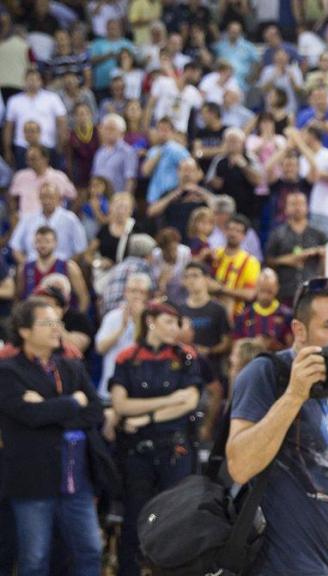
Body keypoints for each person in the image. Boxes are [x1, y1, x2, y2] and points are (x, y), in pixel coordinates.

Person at [226, 277, 328, 575]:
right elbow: (240, 466)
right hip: (274, 564)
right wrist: (294, 395)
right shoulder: (267, 373)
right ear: (299, 330)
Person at [0, 298, 104, 576]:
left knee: (91, 550)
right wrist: (73, 402)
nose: (56, 328)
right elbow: (28, 415)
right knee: (35, 559)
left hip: (76, 479)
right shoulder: (7, 372)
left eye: (58, 322)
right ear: (24, 331)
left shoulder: (71, 367)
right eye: (47, 323)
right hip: (32, 481)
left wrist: (49, 409)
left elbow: (95, 412)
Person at [110, 302, 202, 576]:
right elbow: (121, 405)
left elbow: (190, 402)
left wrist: (146, 417)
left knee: (176, 519)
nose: (175, 329)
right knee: (135, 518)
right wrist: (170, 400)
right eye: (169, 322)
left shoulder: (185, 356)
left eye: (177, 323)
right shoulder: (128, 357)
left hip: (175, 447)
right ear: (151, 321)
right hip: (137, 451)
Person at [211, 215, 261, 317]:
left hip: (237, 315)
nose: (233, 234)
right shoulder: (214, 254)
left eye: (238, 231)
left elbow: (250, 294)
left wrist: (221, 289)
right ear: (225, 231)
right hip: (210, 312)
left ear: (244, 236)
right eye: (231, 229)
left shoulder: (251, 262)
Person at [233, 269, 292, 351]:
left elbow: (292, 348)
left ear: (276, 288)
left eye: (269, 291)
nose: (265, 296)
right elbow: (236, 345)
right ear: (256, 287)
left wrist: (276, 345)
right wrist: (254, 343)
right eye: (262, 291)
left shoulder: (287, 315)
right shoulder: (244, 316)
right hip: (251, 358)